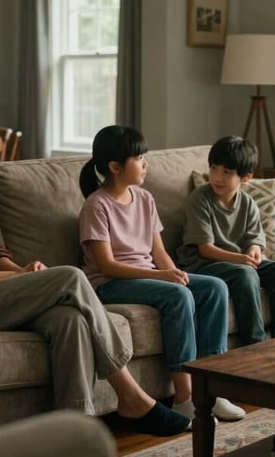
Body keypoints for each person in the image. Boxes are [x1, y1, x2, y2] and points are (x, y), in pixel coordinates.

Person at [0, 90, 189, 438]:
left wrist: (18, 272)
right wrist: (11, 281)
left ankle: (76, 437)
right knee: (69, 277)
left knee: (68, 319)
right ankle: (131, 394)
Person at [79, 125, 245, 422]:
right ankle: (184, 398)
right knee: (177, 295)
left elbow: (158, 253)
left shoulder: (144, 199)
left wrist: (173, 272)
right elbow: (106, 266)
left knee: (215, 287)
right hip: (109, 284)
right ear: (116, 167)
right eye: (139, 159)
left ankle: (212, 388)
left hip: (147, 276)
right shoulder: (96, 205)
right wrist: (162, 278)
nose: (146, 164)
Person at [177, 135, 275, 345]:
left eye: (227, 172)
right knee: (245, 274)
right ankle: (255, 344)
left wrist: (253, 250)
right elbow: (205, 249)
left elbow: (254, 238)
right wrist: (241, 259)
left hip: (237, 261)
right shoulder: (199, 199)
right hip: (203, 265)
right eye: (213, 168)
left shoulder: (248, 203)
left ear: (246, 177)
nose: (217, 177)